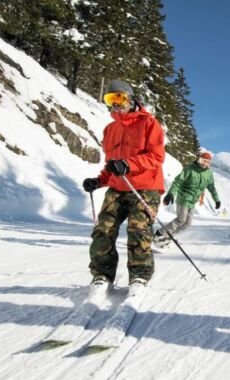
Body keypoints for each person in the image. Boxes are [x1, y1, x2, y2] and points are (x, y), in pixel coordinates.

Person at [82, 79, 165, 293]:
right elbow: (112, 165)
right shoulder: (110, 129)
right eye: (111, 99)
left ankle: (139, 276)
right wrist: (99, 180)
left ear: (131, 99)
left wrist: (129, 164)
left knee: (138, 229)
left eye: (120, 98)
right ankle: (102, 275)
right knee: (103, 229)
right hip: (118, 187)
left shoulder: (149, 123)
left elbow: (156, 157)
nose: (115, 103)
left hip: (145, 187)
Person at [154, 151, 221, 245]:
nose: (204, 163)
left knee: (187, 223)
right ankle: (160, 234)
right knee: (181, 219)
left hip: (193, 201)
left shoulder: (208, 173)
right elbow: (178, 182)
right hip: (184, 197)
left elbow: (211, 187)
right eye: (203, 160)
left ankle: (169, 236)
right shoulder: (189, 169)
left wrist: (216, 200)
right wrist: (171, 194)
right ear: (199, 160)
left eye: (207, 162)